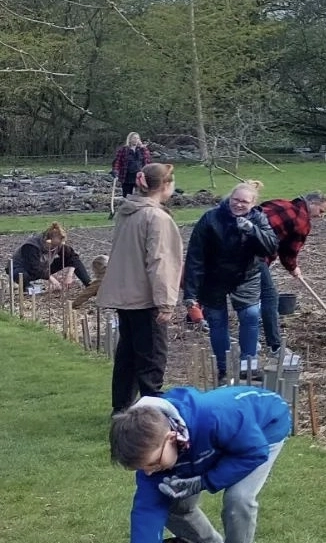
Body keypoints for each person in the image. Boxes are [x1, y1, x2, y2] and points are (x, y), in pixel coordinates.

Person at [110, 385, 290, 543]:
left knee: (239, 498)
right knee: (174, 505)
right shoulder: (152, 451)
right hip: (218, 442)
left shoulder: (212, 417)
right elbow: (147, 508)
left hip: (264, 431)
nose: (149, 472)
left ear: (171, 438)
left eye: (153, 464)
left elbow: (253, 453)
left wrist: (205, 481)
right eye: (143, 468)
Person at [98, 163, 183, 413]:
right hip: (145, 299)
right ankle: (151, 415)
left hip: (125, 296)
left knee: (128, 356)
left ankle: (122, 409)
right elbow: (160, 261)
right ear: (165, 186)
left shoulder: (128, 211)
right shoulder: (155, 217)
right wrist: (165, 302)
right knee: (151, 358)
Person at [182, 181, 278, 381]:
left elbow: (270, 248)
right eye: (236, 200)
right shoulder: (210, 219)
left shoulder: (259, 219)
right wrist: (191, 292)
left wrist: (253, 231)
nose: (239, 205)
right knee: (217, 322)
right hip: (214, 277)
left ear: (253, 204)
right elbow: (195, 256)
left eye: (245, 202)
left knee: (251, 316)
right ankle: (224, 368)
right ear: (229, 198)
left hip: (246, 275)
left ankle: (247, 365)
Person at [258, 191, 326, 359]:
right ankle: (275, 347)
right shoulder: (302, 220)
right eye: (320, 211)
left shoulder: (280, 202)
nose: (320, 216)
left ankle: (197, 313)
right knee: (269, 297)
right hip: (255, 256)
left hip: (234, 248)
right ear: (312, 203)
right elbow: (289, 251)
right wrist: (293, 268)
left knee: (243, 294)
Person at [9, 222, 92, 291]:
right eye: (53, 245)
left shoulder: (58, 244)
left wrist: (69, 275)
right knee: (22, 274)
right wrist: (53, 280)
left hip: (43, 266)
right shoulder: (31, 246)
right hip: (23, 268)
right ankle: (26, 287)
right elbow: (34, 268)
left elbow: (73, 257)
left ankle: (89, 285)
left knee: (70, 259)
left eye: (58, 245)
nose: (55, 248)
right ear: (47, 240)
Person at [111, 132, 151, 202]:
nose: (136, 140)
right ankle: (126, 209)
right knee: (126, 195)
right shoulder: (123, 150)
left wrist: (143, 148)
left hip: (139, 176)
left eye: (137, 138)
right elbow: (117, 161)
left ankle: (139, 210)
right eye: (134, 138)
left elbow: (147, 160)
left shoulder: (142, 150)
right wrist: (115, 170)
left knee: (140, 195)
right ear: (130, 139)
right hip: (127, 175)